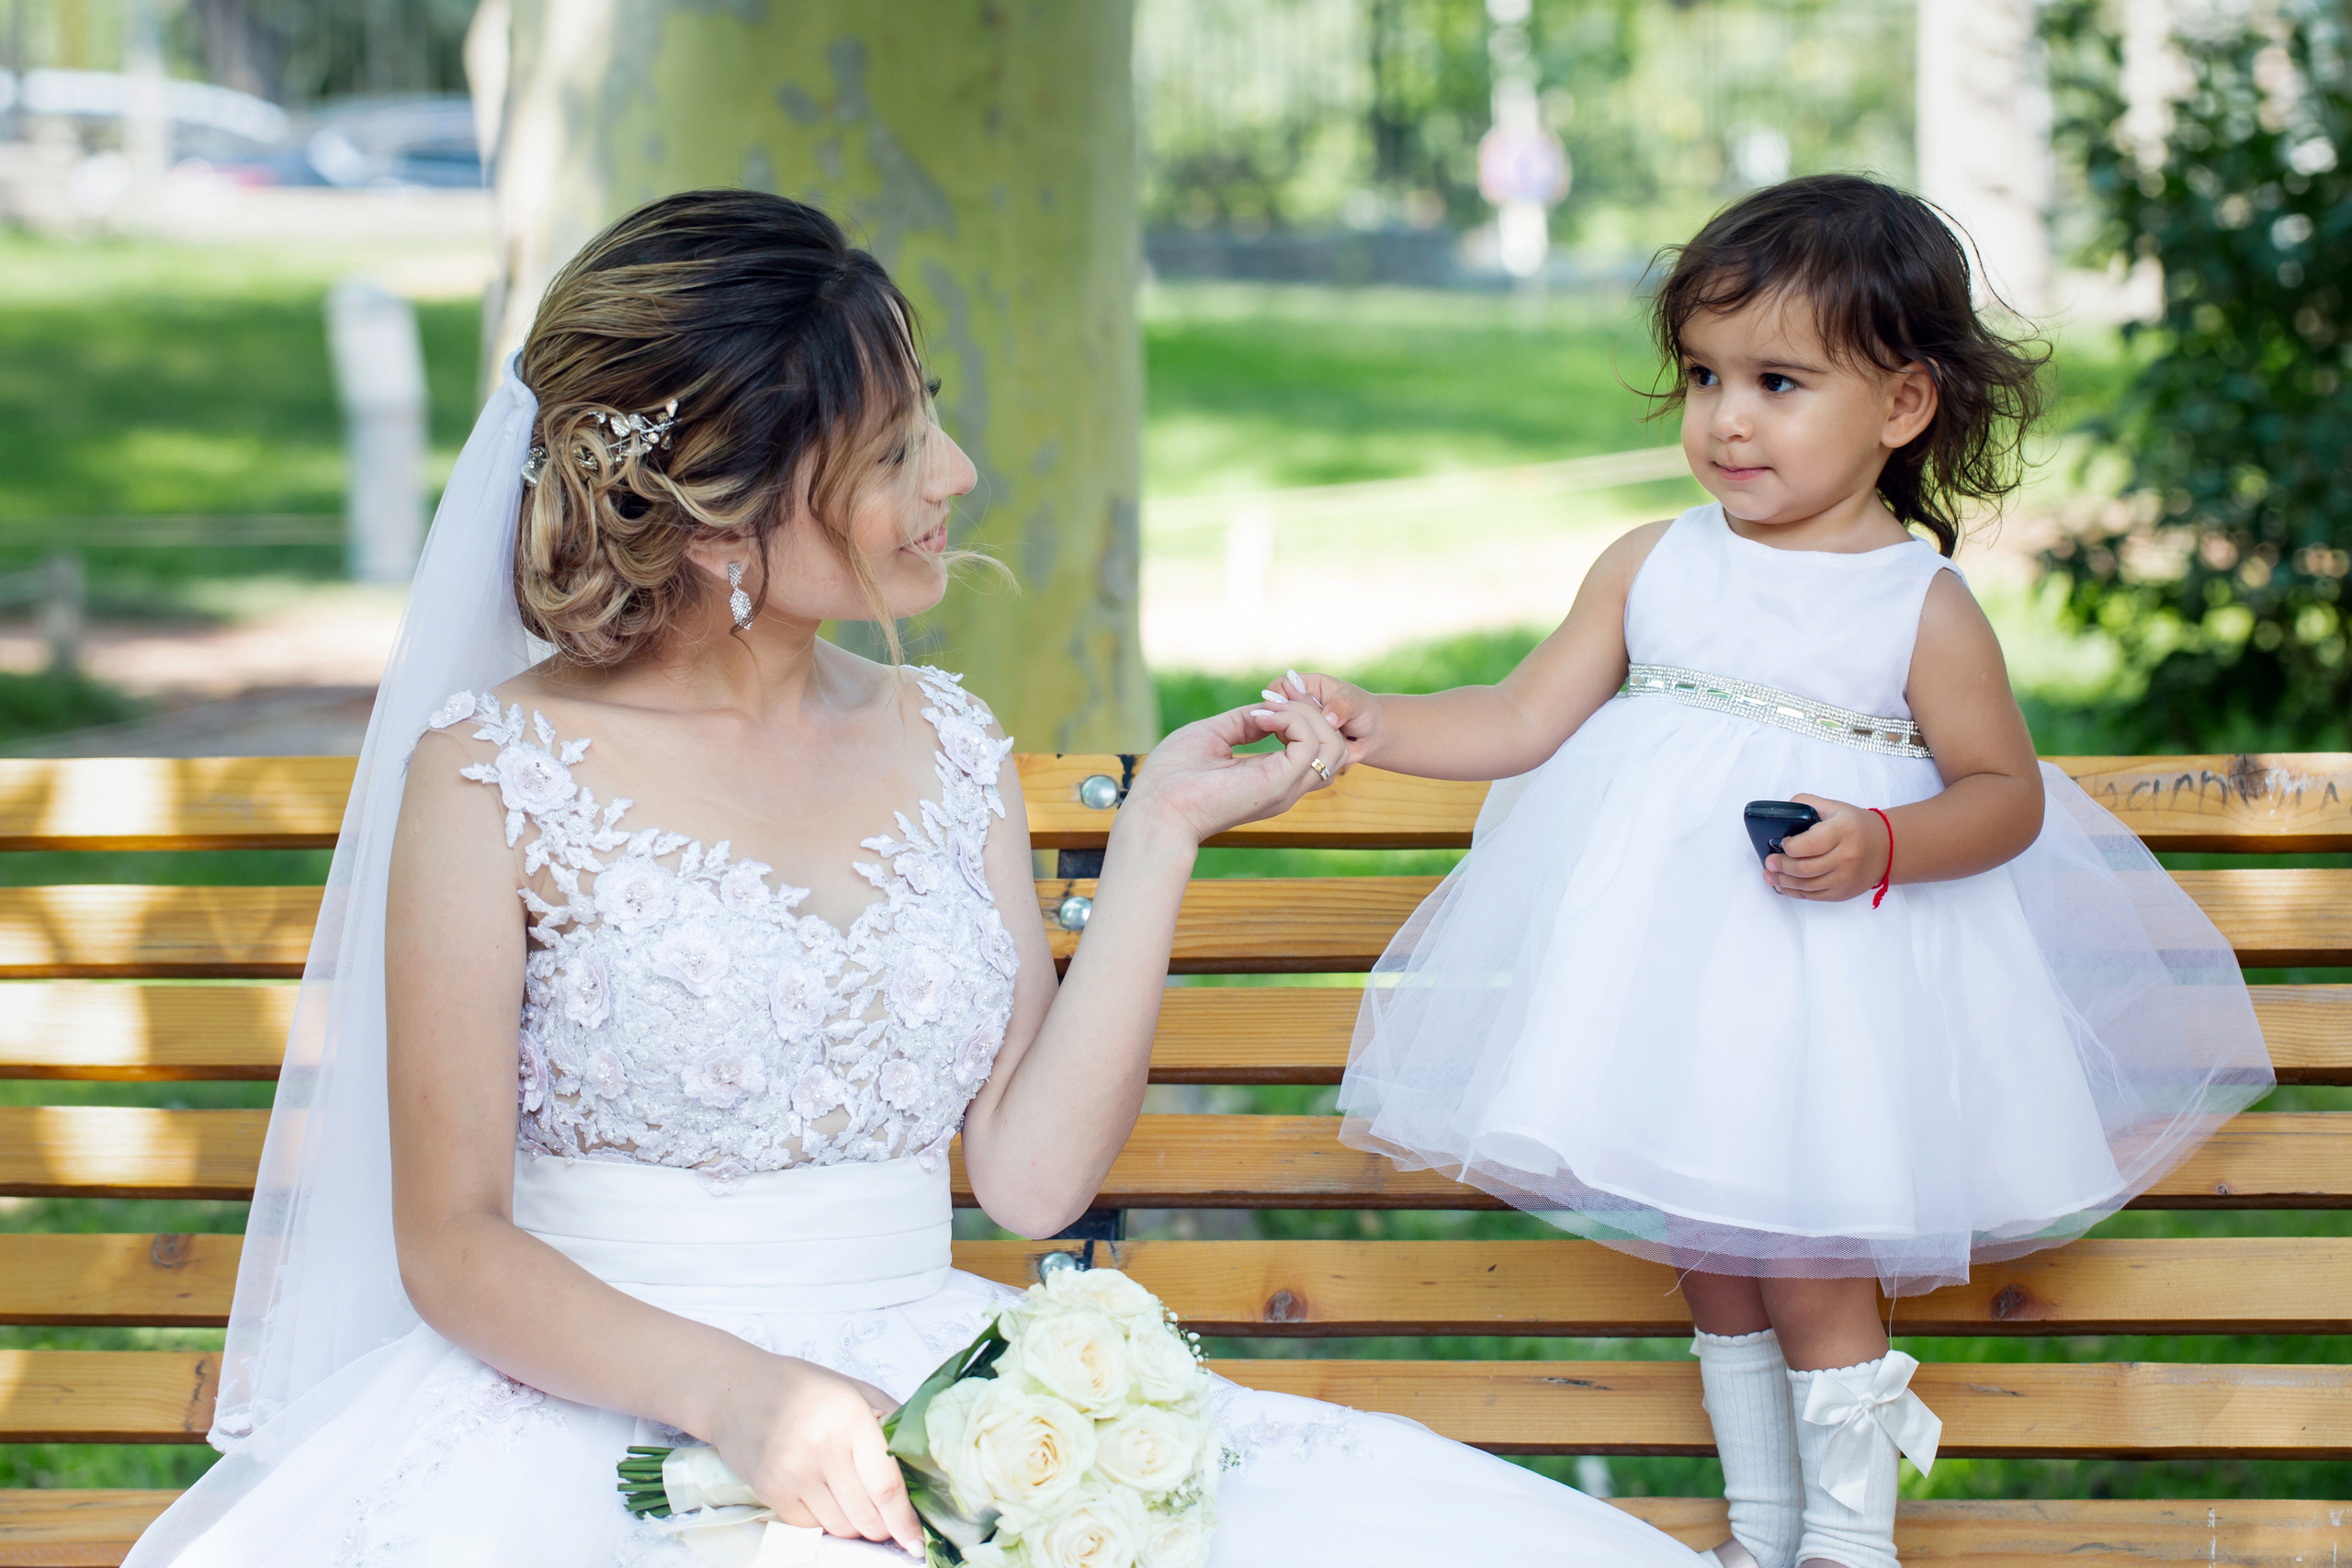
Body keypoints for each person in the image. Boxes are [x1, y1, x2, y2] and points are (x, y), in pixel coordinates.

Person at [123, 189, 1707, 1568]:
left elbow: (1027, 1182)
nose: (957, 471)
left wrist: (1157, 830)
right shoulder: (490, 777)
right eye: (894, 448)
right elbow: (455, 1244)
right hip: (601, 1406)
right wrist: (744, 1398)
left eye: (929, 411)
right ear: (728, 512)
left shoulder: (944, 740)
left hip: (941, 1379)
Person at [1271, 175, 2272, 1568]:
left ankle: (1849, 1549)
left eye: (1778, 381)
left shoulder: (1913, 602)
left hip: (1830, 1000)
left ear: (1902, 405)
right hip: (1679, 995)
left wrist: (1885, 842)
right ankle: (1759, 1536)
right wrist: (1380, 723)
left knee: (1809, 1258)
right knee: (1717, 1254)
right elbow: (1517, 718)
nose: (1725, 418)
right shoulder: (1649, 564)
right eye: (1702, 376)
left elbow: (2005, 797)